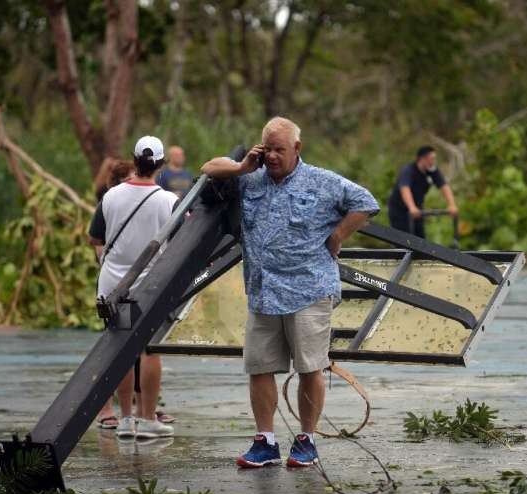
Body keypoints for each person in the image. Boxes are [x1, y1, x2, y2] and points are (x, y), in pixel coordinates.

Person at [201, 117, 379, 468]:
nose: (272, 156)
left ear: (297, 148)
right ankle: (265, 441)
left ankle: (306, 440)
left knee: (310, 367)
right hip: (263, 290)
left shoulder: (322, 181)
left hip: (309, 289)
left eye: (279, 150)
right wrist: (241, 167)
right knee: (259, 367)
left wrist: (338, 235)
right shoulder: (249, 179)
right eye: (267, 149)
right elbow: (208, 168)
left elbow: (366, 201)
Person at [88, 135, 177, 440]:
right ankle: (147, 418)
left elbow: (95, 238)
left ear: (134, 159)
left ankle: (125, 420)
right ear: (162, 165)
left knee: (120, 350)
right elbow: (181, 242)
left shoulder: (110, 197)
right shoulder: (169, 201)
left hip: (113, 286)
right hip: (151, 287)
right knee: (150, 349)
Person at [387, 146, 458, 239]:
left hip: (417, 210)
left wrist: (452, 205)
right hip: (400, 210)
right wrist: (412, 207)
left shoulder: (432, 171)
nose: (434, 162)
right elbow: (405, 189)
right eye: (431, 159)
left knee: (420, 239)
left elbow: (444, 186)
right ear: (422, 159)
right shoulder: (408, 170)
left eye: (434, 159)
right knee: (403, 239)